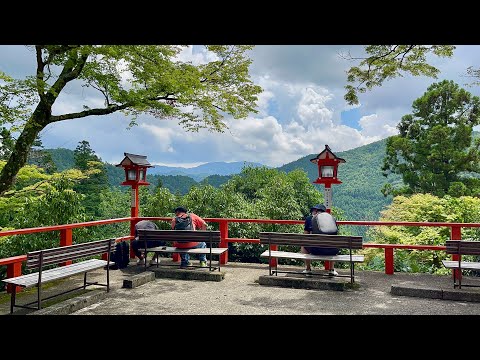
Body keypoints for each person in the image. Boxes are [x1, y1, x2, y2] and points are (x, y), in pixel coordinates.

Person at [302, 204, 339, 276]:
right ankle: (331, 269)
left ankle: (308, 269)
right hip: (331, 250)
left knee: (303, 245)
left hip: (315, 250)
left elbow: (305, 236)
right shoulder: (331, 219)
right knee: (333, 244)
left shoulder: (309, 219)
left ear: (315, 211)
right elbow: (335, 234)